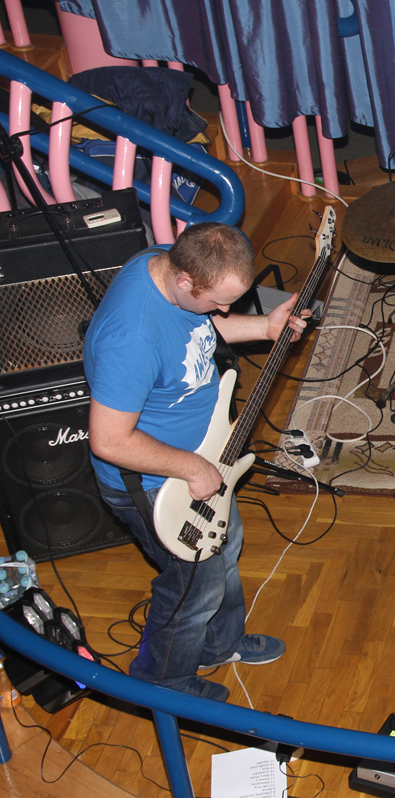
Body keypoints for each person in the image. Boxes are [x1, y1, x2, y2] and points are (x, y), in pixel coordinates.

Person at [85, 222, 310, 701]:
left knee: (225, 546)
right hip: (154, 482)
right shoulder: (131, 337)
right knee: (193, 584)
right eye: (217, 301)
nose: (224, 310)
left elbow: (199, 331)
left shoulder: (169, 261)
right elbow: (108, 440)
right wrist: (190, 467)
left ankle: (219, 645)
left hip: (206, 456)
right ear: (185, 280)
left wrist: (264, 328)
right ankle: (162, 680)